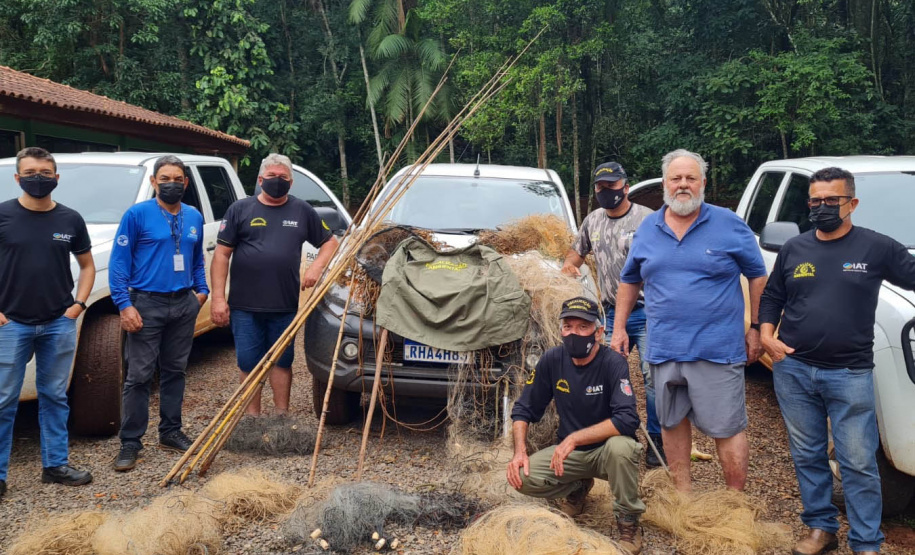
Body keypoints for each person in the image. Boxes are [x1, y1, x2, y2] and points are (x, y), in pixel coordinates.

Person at [759, 167, 915, 555]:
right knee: (808, 454)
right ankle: (820, 529)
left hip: (849, 373)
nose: (822, 208)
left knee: (858, 461)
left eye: (832, 200)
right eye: (816, 201)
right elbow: (773, 296)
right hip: (793, 369)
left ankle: (866, 543)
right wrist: (764, 334)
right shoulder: (795, 248)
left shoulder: (877, 248)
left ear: (853, 203)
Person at [611, 149, 767, 492]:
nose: (683, 185)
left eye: (690, 178)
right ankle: (682, 498)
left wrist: (756, 327)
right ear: (665, 183)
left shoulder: (728, 223)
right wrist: (619, 327)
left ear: (703, 183)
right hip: (664, 347)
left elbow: (757, 275)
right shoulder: (648, 227)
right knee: (671, 423)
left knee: (727, 428)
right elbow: (630, 280)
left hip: (717, 349)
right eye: (676, 178)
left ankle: (733, 504)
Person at [508, 296, 645, 554]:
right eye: (568, 326)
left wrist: (574, 438)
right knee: (521, 478)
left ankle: (628, 522)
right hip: (571, 455)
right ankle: (578, 487)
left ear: (599, 331)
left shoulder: (613, 363)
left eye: (583, 327)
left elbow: (628, 419)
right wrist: (519, 452)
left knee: (622, 448)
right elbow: (524, 408)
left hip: (607, 452)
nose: (574, 333)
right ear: (560, 329)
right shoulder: (552, 359)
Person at [211, 153, 339, 415]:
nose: (277, 181)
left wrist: (316, 267)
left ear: (291, 182)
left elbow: (330, 242)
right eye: (271, 177)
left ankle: (281, 417)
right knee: (248, 363)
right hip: (244, 306)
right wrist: (218, 299)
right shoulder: (240, 210)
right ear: (260, 180)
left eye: (283, 178)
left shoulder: (302, 210)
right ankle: (252, 420)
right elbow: (221, 255)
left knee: (282, 361)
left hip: (284, 304)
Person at [0, 147, 96, 497]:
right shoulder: (3, 215)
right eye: (30, 172)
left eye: (44, 172)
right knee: (3, 398)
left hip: (59, 322)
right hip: (11, 324)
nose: (37, 178)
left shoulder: (70, 219)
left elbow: (87, 265)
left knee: (55, 395)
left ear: (56, 177)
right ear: (17, 178)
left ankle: (55, 465)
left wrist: (79, 305)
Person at [109, 155, 208, 472]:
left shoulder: (193, 216)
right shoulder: (137, 215)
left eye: (177, 179)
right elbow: (119, 263)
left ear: (186, 183)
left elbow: (196, 259)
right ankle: (130, 441)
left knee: (175, 370)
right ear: (153, 182)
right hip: (145, 304)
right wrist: (124, 305)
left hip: (183, 303)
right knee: (138, 375)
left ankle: (170, 431)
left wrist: (201, 291)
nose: (171, 184)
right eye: (165, 178)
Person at [562, 161, 663, 467]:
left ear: (626, 186)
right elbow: (575, 256)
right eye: (601, 187)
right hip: (607, 313)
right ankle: (612, 433)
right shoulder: (592, 220)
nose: (607, 192)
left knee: (652, 376)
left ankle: (656, 438)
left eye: (612, 185)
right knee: (603, 374)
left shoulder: (647, 219)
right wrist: (567, 271)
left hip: (647, 312)